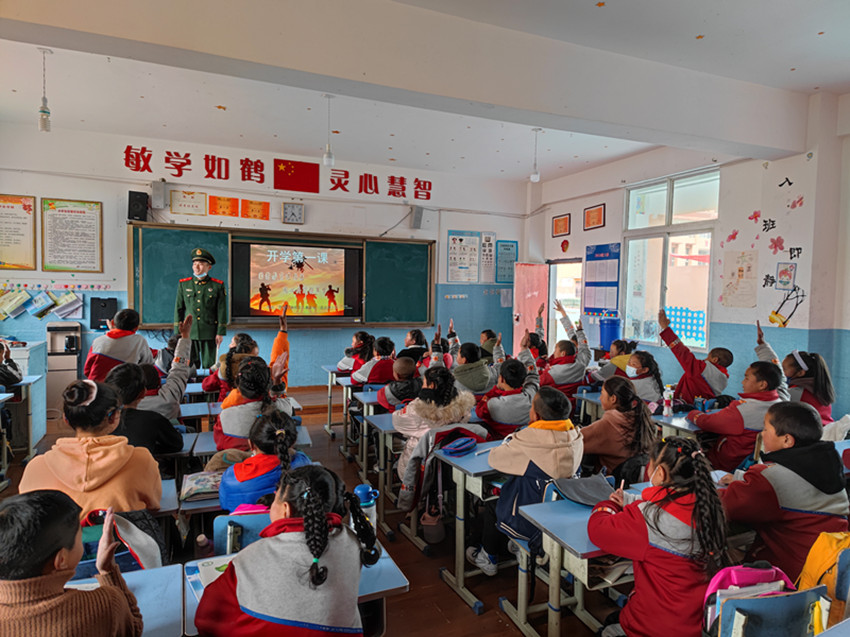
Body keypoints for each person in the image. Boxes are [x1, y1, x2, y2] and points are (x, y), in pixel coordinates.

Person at [194, 466, 380, 636]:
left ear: (285, 509)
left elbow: (206, 619)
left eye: (275, 497)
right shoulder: (353, 541)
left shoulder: (249, 557)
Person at [588, 436, 729, 637]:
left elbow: (597, 530)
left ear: (660, 473)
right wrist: (632, 500)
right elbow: (667, 503)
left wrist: (608, 505)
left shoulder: (648, 519)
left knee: (608, 629)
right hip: (699, 623)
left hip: (656, 625)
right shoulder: (710, 507)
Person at [718, 402, 849, 581]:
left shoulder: (768, 478)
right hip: (833, 566)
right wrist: (742, 479)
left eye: (766, 429)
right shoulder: (829, 463)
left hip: (792, 574)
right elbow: (794, 486)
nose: (761, 434)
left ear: (787, 440)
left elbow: (726, 505)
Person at [466, 386, 583, 574]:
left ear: (536, 415)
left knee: (494, 503)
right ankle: (516, 547)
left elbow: (495, 459)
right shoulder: (576, 436)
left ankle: (488, 557)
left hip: (531, 520)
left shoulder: (529, 440)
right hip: (564, 517)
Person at [0, 493, 143, 637]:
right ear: (61, 560)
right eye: (80, 536)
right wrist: (108, 571)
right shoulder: (104, 605)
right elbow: (133, 628)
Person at [19, 380, 161, 518]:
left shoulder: (35, 468)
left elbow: (28, 518)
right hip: (120, 534)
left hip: (60, 535)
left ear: (66, 419)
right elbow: (154, 505)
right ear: (113, 417)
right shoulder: (141, 460)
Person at [688, 336, 788, 472]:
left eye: (746, 378)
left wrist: (693, 413)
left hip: (726, 464)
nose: (742, 382)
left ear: (762, 385)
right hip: (753, 462)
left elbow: (706, 422)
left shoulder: (742, 410)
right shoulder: (780, 403)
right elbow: (777, 371)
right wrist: (763, 346)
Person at [214, 312, 293, 451]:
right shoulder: (283, 409)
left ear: (238, 384)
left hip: (237, 462)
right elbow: (278, 364)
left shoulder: (225, 415)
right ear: (267, 382)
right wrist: (283, 331)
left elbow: (220, 445)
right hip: (274, 460)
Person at [219, 410, 311, 512]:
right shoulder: (304, 464)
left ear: (251, 444)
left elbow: (225, 506)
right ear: (292, 443)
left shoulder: (231, 477)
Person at [392, 366, 476, 479]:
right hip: (452, 461)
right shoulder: (462, 408)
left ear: (431, 385)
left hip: (419, 466)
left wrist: (417, 401)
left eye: (424, 383)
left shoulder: (416, 410)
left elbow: (397, 421)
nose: (422, 387)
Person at [580, 376, 659, 477]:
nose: (600, 398)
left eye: (602, 394)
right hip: (633, 478)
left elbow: (575, 441)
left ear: (613, 399)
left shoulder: (609, 424)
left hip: (610, 480)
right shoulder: (641, 418)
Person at [105, 362, 183, 457]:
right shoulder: (153, 419)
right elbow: (176, 444)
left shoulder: (101, 423)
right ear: (143, 393)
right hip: (142, 465)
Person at [475, 329, 540, 439]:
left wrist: (495, 389)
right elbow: (533, 375)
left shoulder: (493, 404)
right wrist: (524, 348)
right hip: (526, 440)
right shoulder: (531, 396)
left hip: (500, 443)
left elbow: (479, 411)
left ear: (502, 379)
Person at [658, 308, 732, 403]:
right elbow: (697, 384)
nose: (704, 359)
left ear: (715, 360)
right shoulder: (723, 379)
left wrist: (666, 329)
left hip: (687, 406)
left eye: (708, 357)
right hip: (704, 406)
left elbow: (682, 352)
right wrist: (677, 386)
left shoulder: (703, 368)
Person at [174, 247, 227, 369]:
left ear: (209, 267)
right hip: (189, 332)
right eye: (194, 264)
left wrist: (220, 332)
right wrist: (178, 331)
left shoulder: (217, 285)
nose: (197, 267)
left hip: (209, 331)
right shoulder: (184, 284)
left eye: (201, 264)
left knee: (210, 366)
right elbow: (179, 308)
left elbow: (221, 310)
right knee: (190, 365)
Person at [138, 315, 194, 421]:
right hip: (170, 431)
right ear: (159, 381)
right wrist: (185, 336)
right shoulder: (170, 397)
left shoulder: (128, 406)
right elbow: (179, 369)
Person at [84, 308, 153, 382]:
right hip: (123, 386)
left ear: (112, 323)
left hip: (96, 385)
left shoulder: (97, 341)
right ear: (136, 328)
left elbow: (87, 370)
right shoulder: (139, 341)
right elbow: (148, 366)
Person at [433, 320, 500, 394]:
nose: (457, 355)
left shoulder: (454, 381)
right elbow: (500, 363)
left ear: (464, 360)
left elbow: (435, 372)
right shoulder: (493, 373)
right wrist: (497, 348)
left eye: (458, 354)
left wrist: (436, 348)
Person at [539, 301, 590, 388]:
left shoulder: (553, 372)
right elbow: (571, 332)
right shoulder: (581, 363)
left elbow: (538, 383)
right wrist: (563, 312)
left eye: (555, 350)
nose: (554, 352)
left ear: (563, 353)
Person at [202, 332, 259, 403]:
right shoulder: (258, 365)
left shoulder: (224, 366)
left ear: (238, 347)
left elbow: (206, 386)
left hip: (225, 405)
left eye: (232, 343)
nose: (229, 345)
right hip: (251, 406)